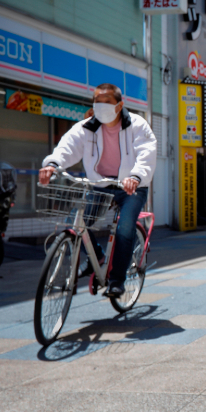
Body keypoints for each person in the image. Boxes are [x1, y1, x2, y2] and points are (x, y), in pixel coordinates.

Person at [38, 83, 157, 297]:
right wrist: (52, 164)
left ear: (119, 105)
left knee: (124, 228)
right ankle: (98, 258)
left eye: (106, 102)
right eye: (97, 102)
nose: (100, 106)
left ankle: (116, 281)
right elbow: (68, 146)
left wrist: (136, 176)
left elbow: (146, 154)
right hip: (100, 184)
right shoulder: (87, 127)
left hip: (131, 186)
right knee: (77, 221)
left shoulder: (137, 125)